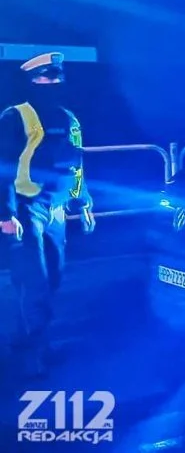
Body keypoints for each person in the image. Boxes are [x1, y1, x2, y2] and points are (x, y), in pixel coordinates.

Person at [0, 52, 94, 377]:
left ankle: (25, 339)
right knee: (35, 282)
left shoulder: (69, 119)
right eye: (45, 76)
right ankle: (33, 357)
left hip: (56, 210)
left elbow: (77, 164)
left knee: (53, 277)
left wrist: (83, 203)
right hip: (27, 211)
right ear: (31, 80)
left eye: (56, 76)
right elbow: (2, 168)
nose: (53, 81)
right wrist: (6, 213)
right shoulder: (15, 116)